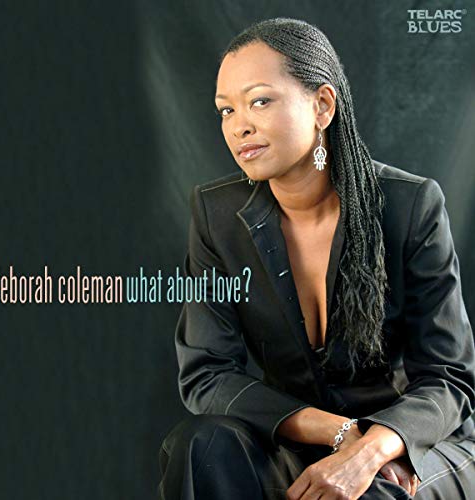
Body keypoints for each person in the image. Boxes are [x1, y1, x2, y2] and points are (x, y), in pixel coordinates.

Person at [157, 17, 475, 499]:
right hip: (299, 436)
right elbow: (207, 373)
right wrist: (339, 433)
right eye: (226, 110)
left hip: (414, 443)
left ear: (323, 105)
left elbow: (448, 379)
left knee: (368, 492)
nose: (239, 125)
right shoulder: (217, 215)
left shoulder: (410, 205)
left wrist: (372, 449)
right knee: (200, 447)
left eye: (260, 101)